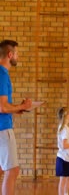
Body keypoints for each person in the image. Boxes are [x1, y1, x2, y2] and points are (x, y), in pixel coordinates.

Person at [0, 39, 33, 195]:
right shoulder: (2, 75)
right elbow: (2, 107)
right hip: (3, 129)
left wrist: (17, 109)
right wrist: (23, 106)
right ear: (10, 54)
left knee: (2, 168)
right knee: (12, 170)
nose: (18, 57)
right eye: (17, 54)